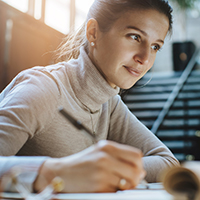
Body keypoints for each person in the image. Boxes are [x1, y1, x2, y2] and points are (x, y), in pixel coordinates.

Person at [0, 0, 179, 194]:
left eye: (155, 47)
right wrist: (57, 173)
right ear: (93, 32)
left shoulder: (109, 104)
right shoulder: (43, 89)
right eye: (135, 37)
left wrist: (110, 169)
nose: (144, 58)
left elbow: (168, 163)